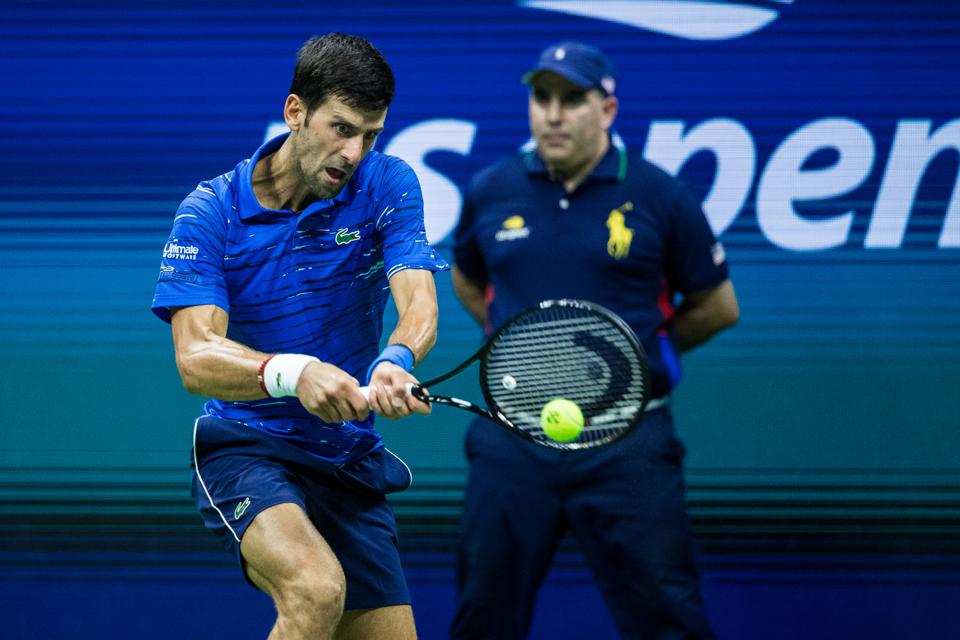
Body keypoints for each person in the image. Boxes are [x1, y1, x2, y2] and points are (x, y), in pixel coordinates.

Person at [151, 33, 448, 640]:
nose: (355, 151)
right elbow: (195, 355)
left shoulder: (387, 184)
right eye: (341, 128)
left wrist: (396, 358)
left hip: (346, 456)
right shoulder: (211, 211)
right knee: (315, 591)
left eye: (370, 134)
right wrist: (292, 372)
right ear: (295, 112)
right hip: (247, 447)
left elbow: (417, 297)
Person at [450, 41, 739, 639]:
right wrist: (524, 353)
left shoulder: (661, 195)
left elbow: (717, 306)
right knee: (483, 619)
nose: (553, 114)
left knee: (669, 621)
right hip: (513, 442)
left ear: (607, 110)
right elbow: (468, 278)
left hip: (629, 444)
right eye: (542, 98)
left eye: (572, 100)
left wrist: (633, 361)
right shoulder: (491, 189)